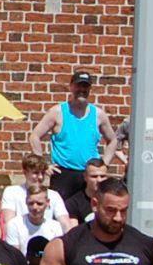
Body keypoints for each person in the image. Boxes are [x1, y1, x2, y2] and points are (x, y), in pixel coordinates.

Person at [30, 71, 113, 212]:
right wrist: (43, 165)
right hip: (63, 174)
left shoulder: (98, 114)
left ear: (90, 89)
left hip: (88, 175)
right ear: (71, 87)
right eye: (78, 86)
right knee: (60, 213)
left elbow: (113, 140)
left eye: (85, 86)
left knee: (89, 213)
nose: (82, 90)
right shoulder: (58, 112)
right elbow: (35, 136)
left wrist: (104, 164)